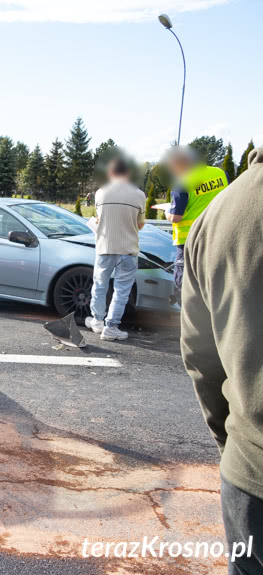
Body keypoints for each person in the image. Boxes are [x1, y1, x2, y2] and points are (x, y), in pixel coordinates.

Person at [181, 147, 263, 574]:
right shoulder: (216, 176)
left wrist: (232, 443)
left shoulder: (223, 207)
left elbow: (201, 357)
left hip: (251, 472)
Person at [84, 157, 146, 341]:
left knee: (100, 285)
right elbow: (140, 224)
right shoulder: (139, 195)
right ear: (128, 173)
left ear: (111, 173)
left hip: (104, 247)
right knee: (121, 290)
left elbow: (100, 219)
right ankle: (111, 327)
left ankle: (97, 321)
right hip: (128, 249)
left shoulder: (100, 193)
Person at [164, 147, 229, 305]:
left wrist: (167, 210)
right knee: (216, 280)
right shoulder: (221, 174)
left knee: (185, 282)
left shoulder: (183, 182)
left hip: (191, 241)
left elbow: (175, 217)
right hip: (220, 235)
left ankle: (188, 319)